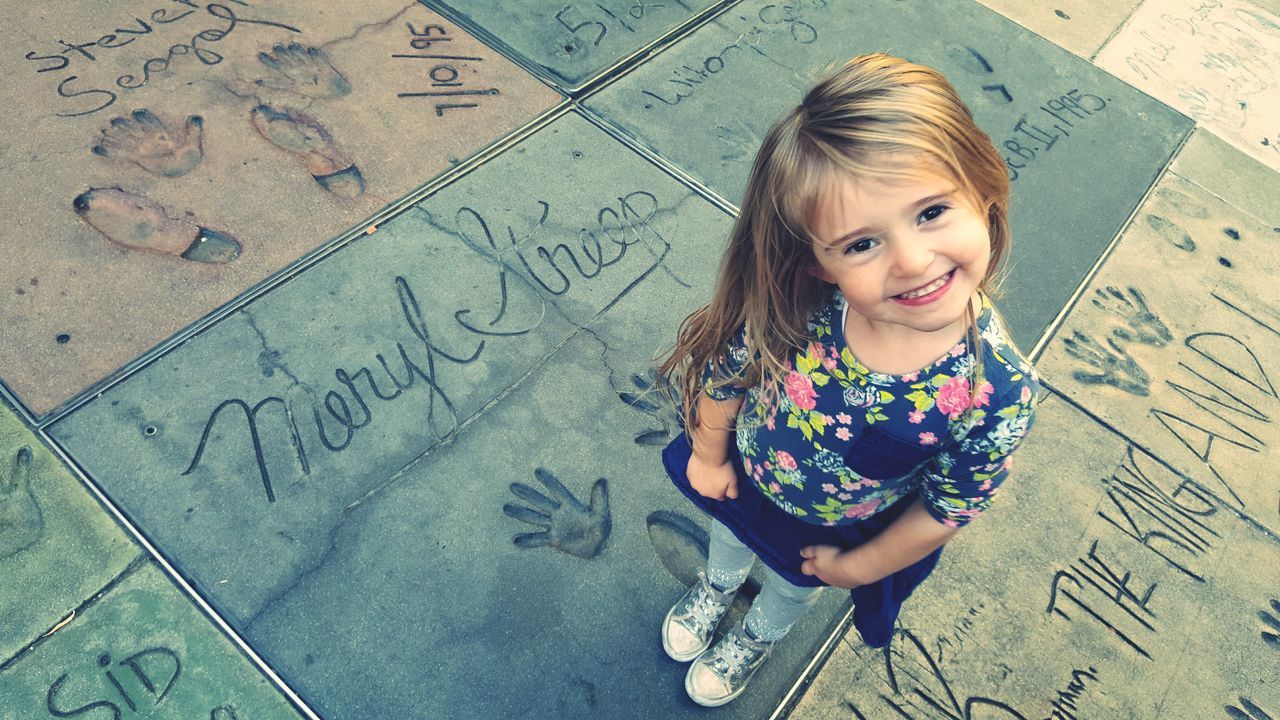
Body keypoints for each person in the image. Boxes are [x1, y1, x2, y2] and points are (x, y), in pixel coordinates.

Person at [655, 53, 1039, 707]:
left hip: (827, 532)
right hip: (746, 475)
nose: (913, 260)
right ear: (821, 263)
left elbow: (948, 506)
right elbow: (727, 371)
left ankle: (759, 632)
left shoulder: (995, 392)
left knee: (790, 584)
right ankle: (717, 587)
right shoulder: (802, 305)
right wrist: (708, 453)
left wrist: (856, 568)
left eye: (931, 212)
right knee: (726, 535)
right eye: (862, 244)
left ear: (983, 189)